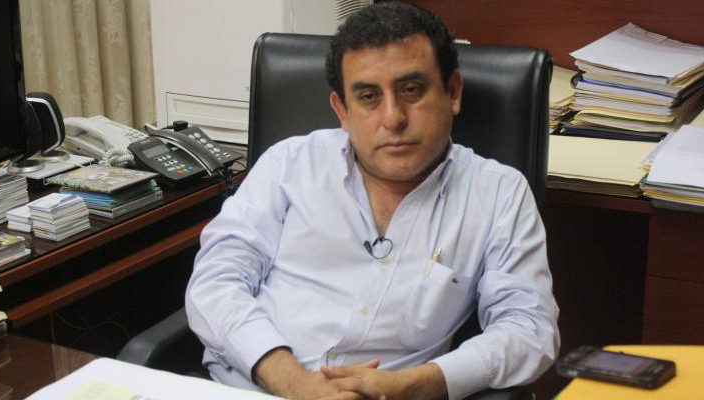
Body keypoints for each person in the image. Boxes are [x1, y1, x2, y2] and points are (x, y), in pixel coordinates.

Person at [185, 2, 559, 399]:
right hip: (248, 389)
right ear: (342, 111)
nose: (393, 118)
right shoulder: (289, 164)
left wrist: (418, 384)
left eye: (411, 90)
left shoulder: (498, 193)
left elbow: (530, 330)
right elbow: (215, 282)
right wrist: (293, 382)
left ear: (452, 92)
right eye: (368, 97)